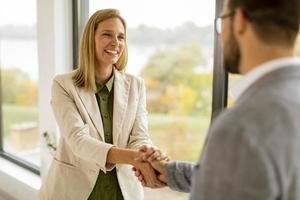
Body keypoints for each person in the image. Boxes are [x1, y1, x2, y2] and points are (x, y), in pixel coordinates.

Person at [135, 0, 300, 199]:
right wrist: (172, 172)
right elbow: (251, 177)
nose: (220, 36)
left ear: (239, 20)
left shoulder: (241, 126)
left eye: (222, 22)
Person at [39, 9, 166, 200]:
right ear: (91, 40)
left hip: (122, 192)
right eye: (107, 34)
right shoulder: (63, 85)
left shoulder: (136, 85)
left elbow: (139, 136)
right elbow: (78, 141)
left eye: (121, 37)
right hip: (74, 190)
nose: (116, 42)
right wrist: (134, 158)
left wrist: (148, 153)